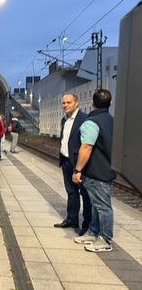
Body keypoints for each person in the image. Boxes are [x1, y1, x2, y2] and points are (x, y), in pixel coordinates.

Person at [72, 89, 116, 252]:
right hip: (107, 167)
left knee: (103, 206)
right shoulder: (112, 121)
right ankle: (93, 232)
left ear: (92, 102)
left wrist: (77, 170)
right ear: (110, 104)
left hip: (95, 170)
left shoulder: (92, 122)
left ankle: (105, 238)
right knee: (97, 205)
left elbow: (86, 147)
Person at [54, 93, 91, 234]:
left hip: (79, 163)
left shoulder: (84, 120)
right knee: (71, 192)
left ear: (76, 103)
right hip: (66, 161)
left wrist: (80, 167)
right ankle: (72, 219)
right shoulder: (64, 120)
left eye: (68, 102)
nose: (65, 105)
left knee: (85, 194)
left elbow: (86, 144)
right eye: (63, 103)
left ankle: (87, 225)